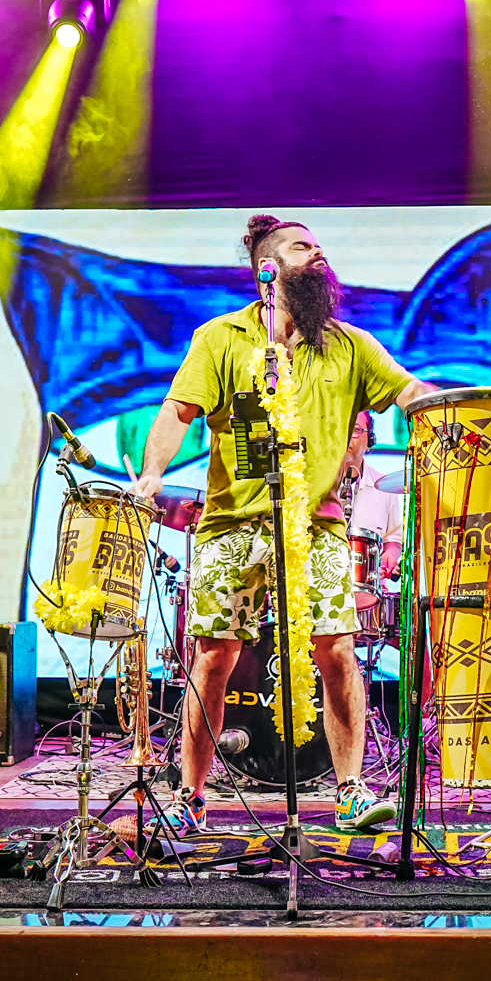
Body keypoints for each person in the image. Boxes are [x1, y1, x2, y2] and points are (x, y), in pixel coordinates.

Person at [132, 215, 435, 833]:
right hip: (232, 524)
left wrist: (467, 411)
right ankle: (190, 795)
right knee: (213, 657)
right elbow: (177, 411)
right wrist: (152, 474)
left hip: (317, 526)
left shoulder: (350, 344)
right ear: (267, 269)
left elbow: (412, 395)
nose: (319, 254)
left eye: (321, 246)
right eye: (304, 247)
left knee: (338, 650)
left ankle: (350, 791)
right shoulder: (221, 337)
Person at [336, 410, 403, 580]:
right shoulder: (318, 484)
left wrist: (390, 556)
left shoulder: (385, 486)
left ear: (369, 441)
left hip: (368, 586)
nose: (347, 436)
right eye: (342, 428)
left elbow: (393, 541)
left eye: (355, 430)